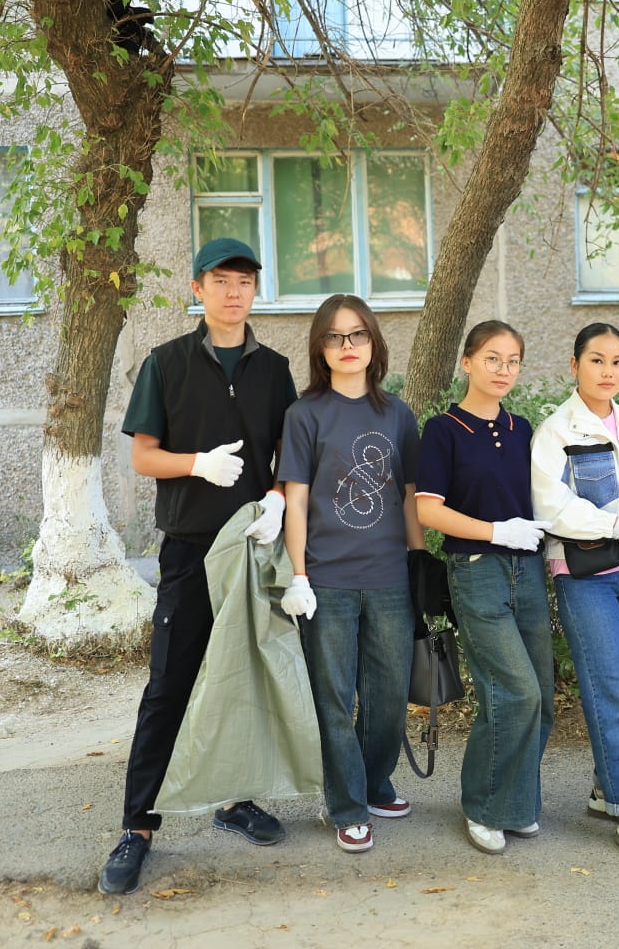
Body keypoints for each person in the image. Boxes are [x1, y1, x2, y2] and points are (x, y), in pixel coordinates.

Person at [99, 238, 298, 895]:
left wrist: (273, 502)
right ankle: (138, 826)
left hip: (250, 550)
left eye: (244, 279)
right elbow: (143, 458)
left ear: (254, 291)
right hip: (189, 550)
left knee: (239, 679)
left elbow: (286, 458)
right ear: (197, 289)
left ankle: (233, 801)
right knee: (169, 686)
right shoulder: (167, 363)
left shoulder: (274, 369)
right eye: (220, 279)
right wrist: (197, 463)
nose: (232, 291)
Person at [277, 294, 424, 854]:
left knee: (387, 695)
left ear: (373, 344)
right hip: (327, 580)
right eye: (335, 337)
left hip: (388, 576)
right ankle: (347, 803)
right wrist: (299, 574)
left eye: (357, 335)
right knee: (334, 697)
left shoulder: (398, 414)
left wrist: (416, 562)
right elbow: (296, 500)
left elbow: (410, 497)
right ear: (320, 346)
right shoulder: (304, 415)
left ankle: (375, 779)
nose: (347, 346)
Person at [531, 323, 619, 869]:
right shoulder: (556, 431)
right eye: (596, 360)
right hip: (585, 573)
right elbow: (551, 506)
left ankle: (606, 788)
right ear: (575, 365)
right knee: (608, 687)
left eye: (617, 361)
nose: (607, 371)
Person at [415, 321, 555, 856]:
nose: (503, 370)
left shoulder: (524, 429)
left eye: (513, 361)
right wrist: (497, 530)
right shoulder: (444, 430)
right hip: (477, 569)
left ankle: (515, 803)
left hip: (527, 571)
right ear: (468, 362)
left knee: (538, 690)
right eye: (492, 358)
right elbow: (428, 509)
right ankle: (484, 805)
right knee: (512, 690)